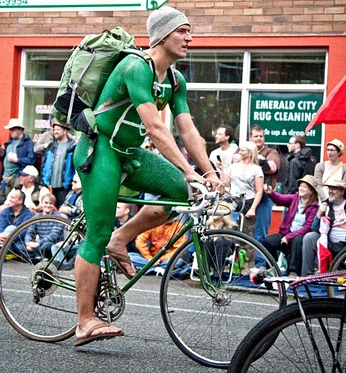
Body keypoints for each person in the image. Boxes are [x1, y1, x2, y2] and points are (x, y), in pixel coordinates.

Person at [72, 6, 220, 345]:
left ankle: (121, 238)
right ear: (162, 35)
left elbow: (186, 127)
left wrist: (208, 172)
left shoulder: (174, 80)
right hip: (101, 149)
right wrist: (188, 169)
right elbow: (155, 127)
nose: (190, 38)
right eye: (183, 31)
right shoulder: (135, 67)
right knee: (96, 233)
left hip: (131, 153)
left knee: (178, 192)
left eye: (189, 31)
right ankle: (84, 321)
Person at [262, 175, 319, 277]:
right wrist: (271, 193)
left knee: (297, 240)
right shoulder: (295, 198)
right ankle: (272, 269)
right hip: (285, 233)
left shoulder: (314, 207)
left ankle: (293, 272)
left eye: (304, 187)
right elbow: (280, 199)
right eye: (300, 186)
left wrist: (289, 237)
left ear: (311, 191)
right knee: (267, 242)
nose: (301, 189)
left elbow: (307, 227)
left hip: (299, 235)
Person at [301, 180, 346, 276]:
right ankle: (306, 276)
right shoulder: (326, 205)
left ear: (342, 191)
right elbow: (314, 228)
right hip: (328, 242)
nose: (330, 191)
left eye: (334, 188)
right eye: (329, 188)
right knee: (309, 237)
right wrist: (319, 214)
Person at [249, 124, 280, 271]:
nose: (259, 139)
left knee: (261, 233)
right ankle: (236, 265)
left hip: (264, 198)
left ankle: (260, 265)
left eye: (261, 136)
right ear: (250, 137)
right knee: (238, 231)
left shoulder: (271, 151)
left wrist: (259, 159)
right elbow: (235, 160)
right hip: (245, 196)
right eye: (256, 136)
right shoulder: (245, 149)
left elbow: (272, 167)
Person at [219, 141, 264, 238]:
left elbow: (259, 191)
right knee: (228, 231)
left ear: (250, 153)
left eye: (242, 150)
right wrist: (221, 170)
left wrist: (252, 209)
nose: (239, 152)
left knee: (246, 233)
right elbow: (226, 184)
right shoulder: (233, 166)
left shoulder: (257, 169)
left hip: (247, 202)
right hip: (231, 200)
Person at [41, 119, 76, 208]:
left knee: (63, 212)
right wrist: (44, 181)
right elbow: (44, 165)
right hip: (50, 187)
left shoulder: (72, 147)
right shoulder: (51, 146)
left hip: (65, 188)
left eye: (58, 129)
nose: (55, 132)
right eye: (54, 130)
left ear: (65, 131)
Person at [0, 118, 35, 194]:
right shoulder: (9, 142)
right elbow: (4, 160)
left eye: (12, 129)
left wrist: (17, 160)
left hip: (17, 176)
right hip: (5, 177)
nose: (10, 132)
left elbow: (31, 160)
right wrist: (1, 153)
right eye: (10, 130)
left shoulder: (27, 143)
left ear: (20, 129)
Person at [25, 194, 64, 261]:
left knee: (46, 245)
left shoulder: (58, 218)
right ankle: (37, 256)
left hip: (53, 244)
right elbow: (29, 232)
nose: (48, 205)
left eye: (51, 203)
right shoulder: (37, 217)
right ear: (41, 204)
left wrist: (38, 243)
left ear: (53, 205)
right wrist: (28, 243)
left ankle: (37, 257)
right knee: (20, 245)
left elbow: (53, 236)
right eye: (46, 203)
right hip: (39, 244)